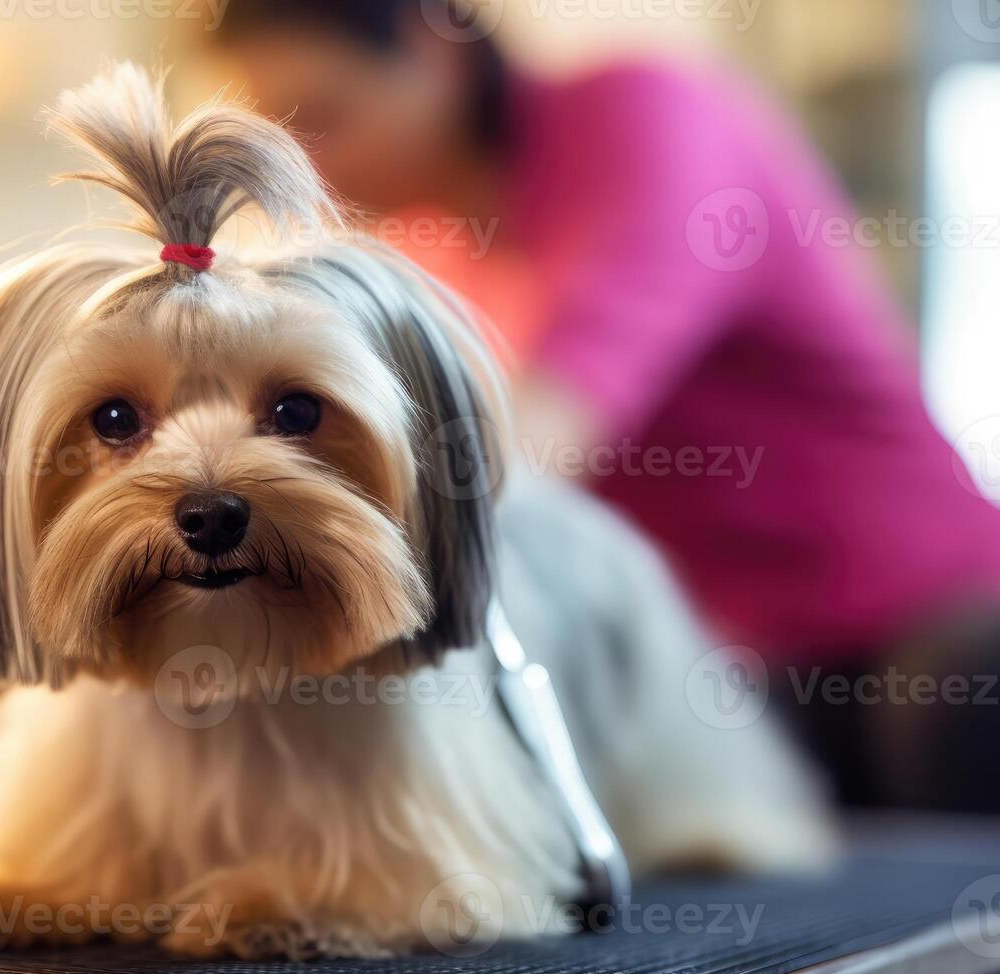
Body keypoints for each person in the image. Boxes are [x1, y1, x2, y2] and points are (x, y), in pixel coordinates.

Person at [209, 0, 1000, 811]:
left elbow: (541, 438)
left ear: (432, 50)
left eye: (324, 118)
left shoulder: (642, 115)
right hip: (739, 661)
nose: (305, 173)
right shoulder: (425, 248)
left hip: (936, 613)